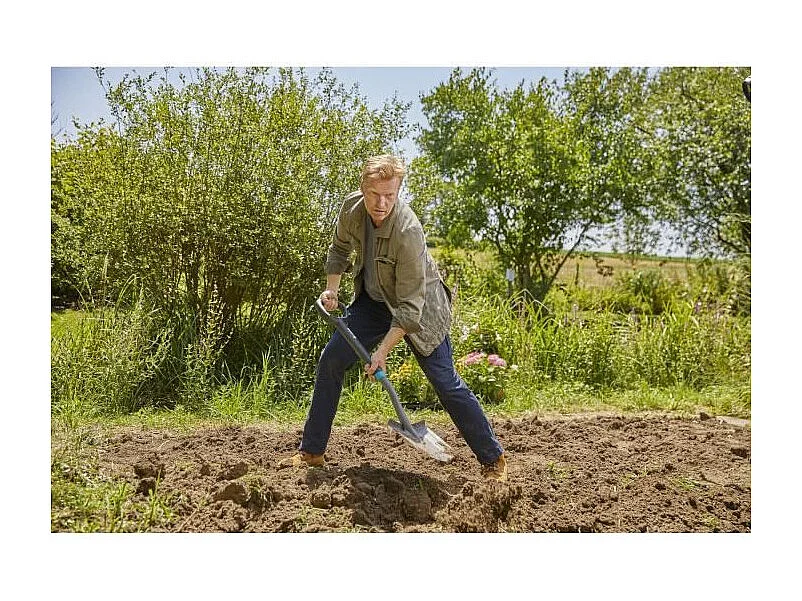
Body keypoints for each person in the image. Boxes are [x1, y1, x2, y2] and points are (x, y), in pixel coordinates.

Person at [279, 154, 507, 481]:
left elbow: (410, 308)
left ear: (399, 190)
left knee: (444, 381)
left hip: (421, 309)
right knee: (332, 359)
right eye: (375, 195)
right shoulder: (352, 209)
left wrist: (382, 352)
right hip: (374, 302)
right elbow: (339, 249)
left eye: (391, 195)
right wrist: (332, 291)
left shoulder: (408, 230)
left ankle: (493, 459)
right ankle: (312, 452)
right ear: (363, 188)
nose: (382, 203)